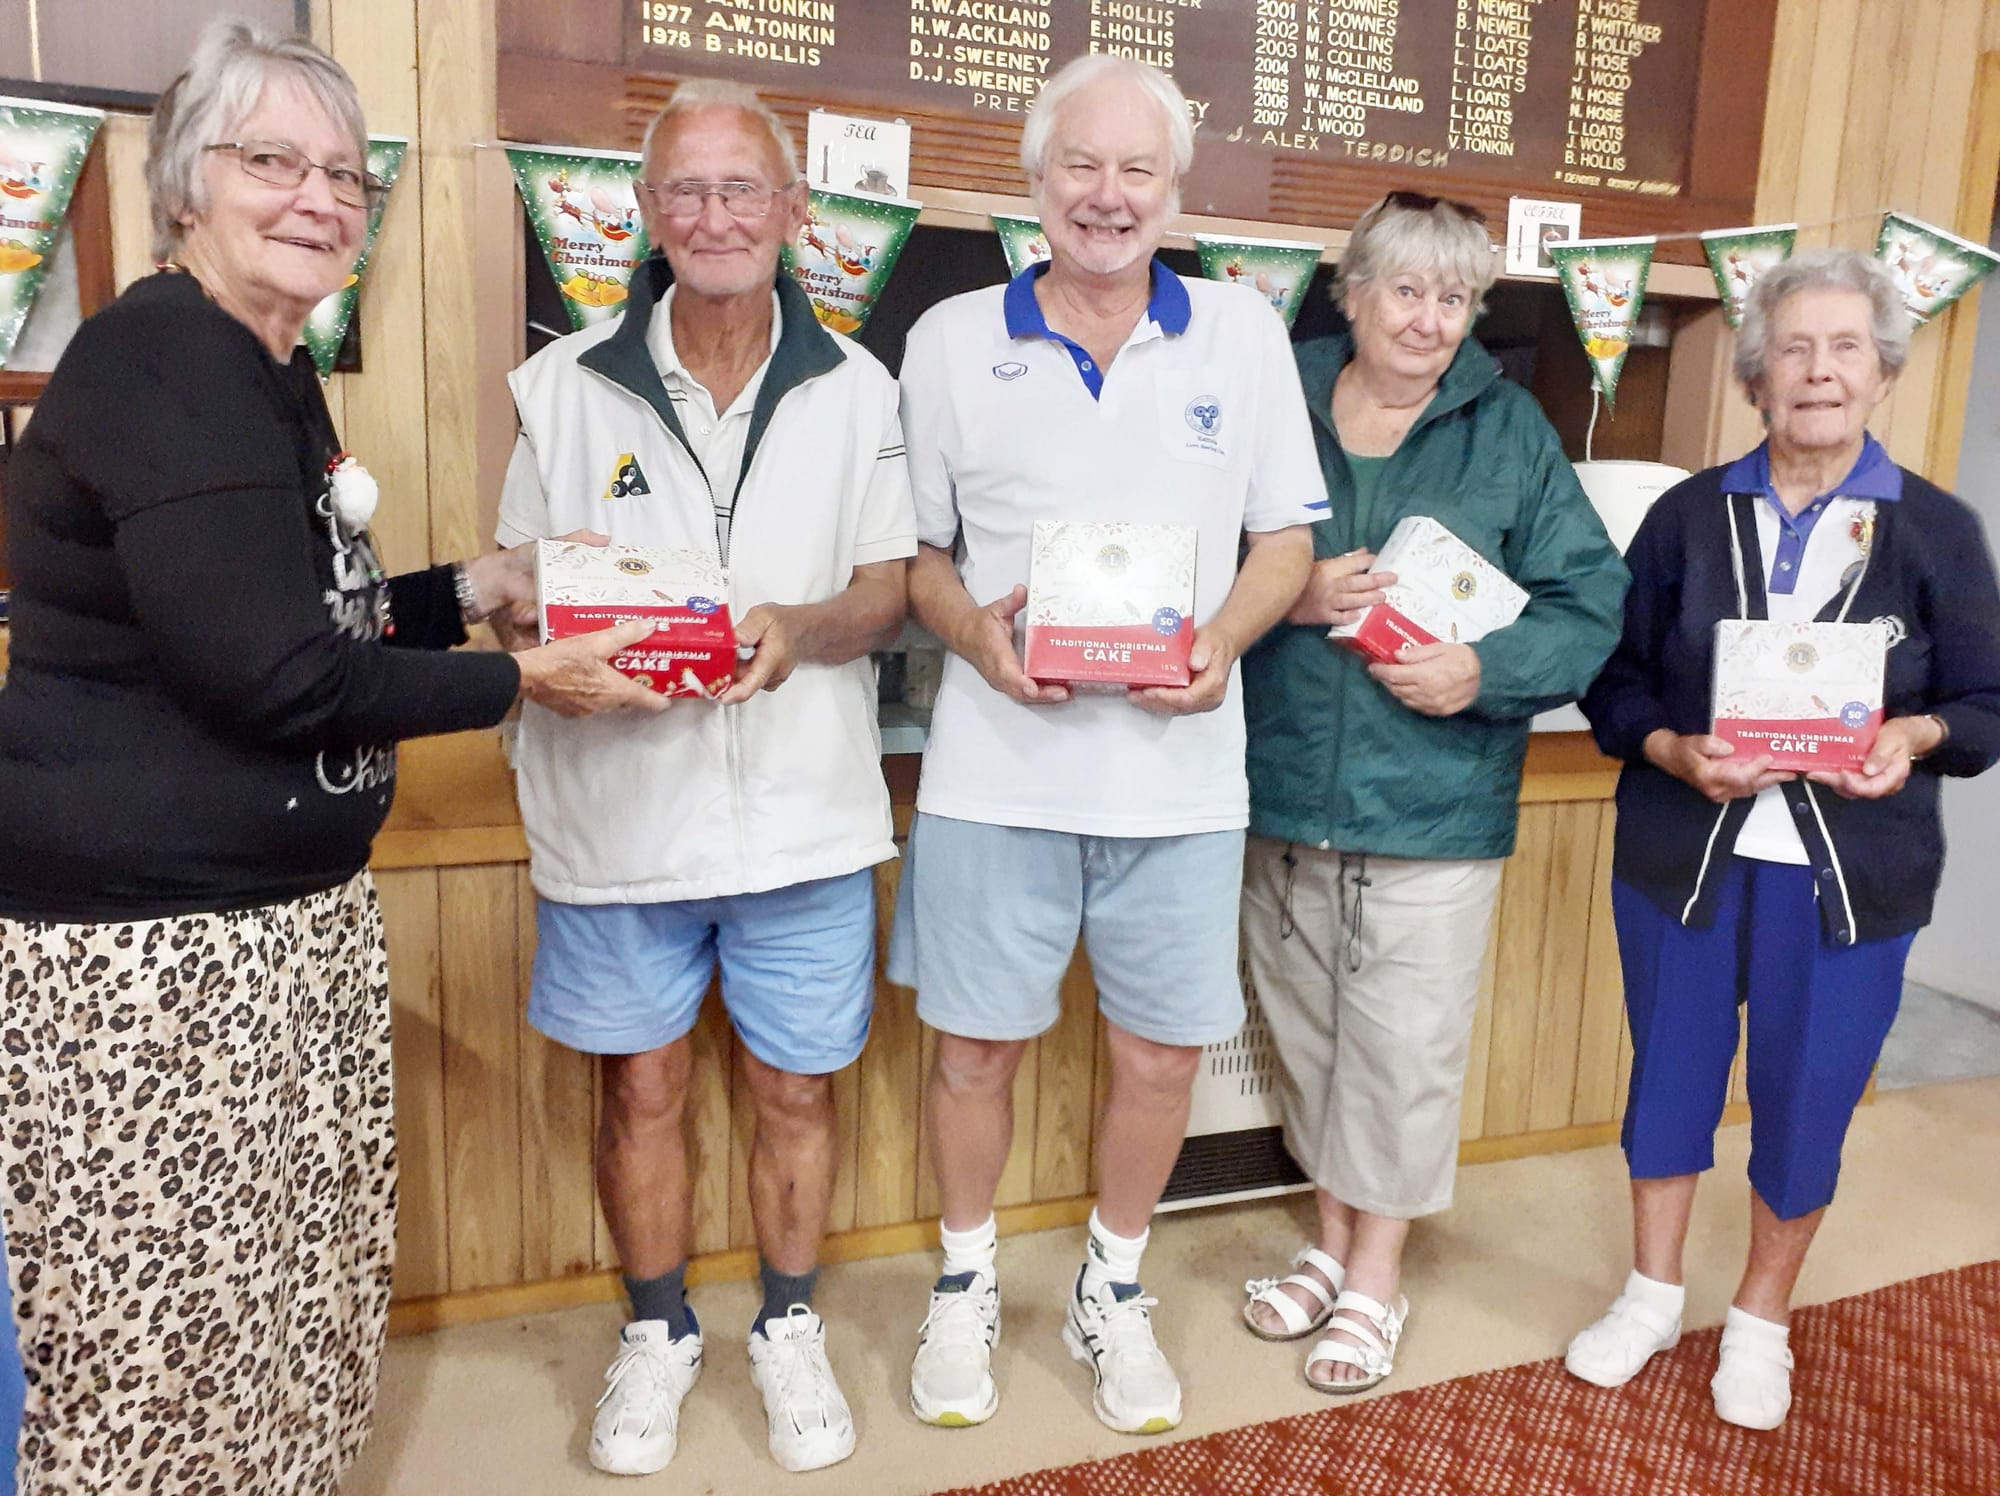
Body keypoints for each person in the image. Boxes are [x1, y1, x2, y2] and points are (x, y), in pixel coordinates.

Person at [0, 20, 664, 1495]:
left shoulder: (260, 367)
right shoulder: (163, 366)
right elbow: (273, 674)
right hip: (155, 969)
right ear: (185, 189)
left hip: (268, 932)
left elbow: (312, 611)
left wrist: (483, 583)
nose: (315, 197)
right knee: (165, 1344)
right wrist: (517, 678)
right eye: (269, 163)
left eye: (342, 174)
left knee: (283, 1302)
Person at [891, 54, 1322, 1436]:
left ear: (1175, 191)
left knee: (1161, 1060)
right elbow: (917, 559)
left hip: (1184, 782)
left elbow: (1286, 542)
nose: (1108, 194)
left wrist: (1221, 644)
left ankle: (1112, 1288)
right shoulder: (951, 338)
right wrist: (977, 637)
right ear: (1036, 178)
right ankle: (963, 1282)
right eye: (1082, 164)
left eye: (1139, 169)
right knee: (974, 1052)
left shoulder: (1245, 336)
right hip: (993, 773)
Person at [495, 80, 914, 1477]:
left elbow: (888, 592)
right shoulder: (561, 388)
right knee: (641, 1095)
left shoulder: (861, 393)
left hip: (804, 816)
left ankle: (786, 1324)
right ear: (647, 214)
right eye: (686, 191)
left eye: (744, 191)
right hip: (622, 817)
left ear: (795, 215)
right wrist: (553, 639)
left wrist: (799, 631)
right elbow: (516, 589)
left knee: (797, 1092)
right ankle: (659, 1332)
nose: (715, 216)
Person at [1567, 247, 2000, 1429]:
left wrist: (1909, 735)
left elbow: (1983, 707)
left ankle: (1759, 1315)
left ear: (1878, 373)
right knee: (1668, 1079)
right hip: (1683, 858)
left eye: (1843, 346)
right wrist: (1669, 750)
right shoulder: (1683, 515)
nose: (1816, 370)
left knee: (1806, 1096)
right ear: (1757, 374)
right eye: (1793, 348)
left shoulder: (1938, 532)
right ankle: (1652, 1291)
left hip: (1850, 881)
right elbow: (1612, 682)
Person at [1237, 192, 1627, 1393]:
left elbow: (1589, 600)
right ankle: (1333, 1233)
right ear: (1349, 291)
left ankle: (1373, 1277)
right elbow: (1184, 563)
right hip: (1275, 785)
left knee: (1401, 1052)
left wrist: (1482, 670)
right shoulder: (1271, 399)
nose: (1428, 319)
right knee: (1305, 1040)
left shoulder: (1507, 430)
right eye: (1405, 289)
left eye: (1454, 298)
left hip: (1433, 802)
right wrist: (1287, 597)